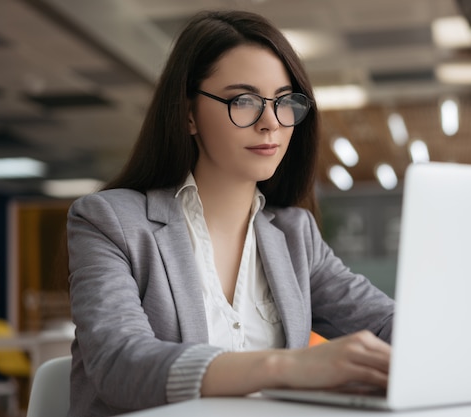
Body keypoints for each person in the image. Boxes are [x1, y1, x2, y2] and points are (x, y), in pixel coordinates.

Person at [66, 9, 395, 416]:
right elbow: (120, 364)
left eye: (284, 102)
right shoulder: (109, 221)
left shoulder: (296, 235)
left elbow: (384, 323)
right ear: (188, 114)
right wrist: (284, 367)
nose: (271, 123)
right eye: (244, 100)